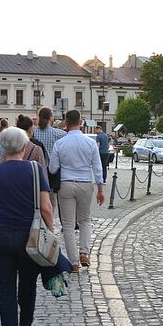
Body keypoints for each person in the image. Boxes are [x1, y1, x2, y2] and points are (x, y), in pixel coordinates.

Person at [0, 127, 61, 326]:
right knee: (27, 284)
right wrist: (51, 233)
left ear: (2, 148)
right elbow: (46, 208)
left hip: (1, 237)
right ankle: (25, 325)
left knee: (5, 291)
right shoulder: (35, 170)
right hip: (31, 238)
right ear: (25, 147)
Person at [50, 110, 105, 272]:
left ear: (65, 124)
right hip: (85, 183)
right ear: (81, 122)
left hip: (66, 184)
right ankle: (84, 252)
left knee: (67, 224)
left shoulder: (60, 144)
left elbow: (53, 169)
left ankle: (73, 262)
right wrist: (100, 189)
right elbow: (97, 167)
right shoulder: (90, 143)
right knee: (85, 220)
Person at [35, 107, 66, 222]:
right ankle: (49, 221)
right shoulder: (58, 134)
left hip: (35, 170)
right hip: (50, 171)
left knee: (36, 198)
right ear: (50, 118)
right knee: (50, 199)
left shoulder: (33, 132)